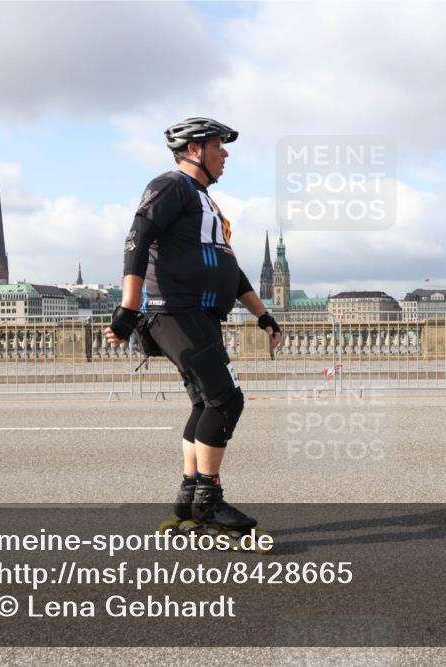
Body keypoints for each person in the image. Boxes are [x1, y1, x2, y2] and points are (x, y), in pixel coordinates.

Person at [104, 117, 282, 532]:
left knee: (206, 402)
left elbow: (229, 267)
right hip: (174, 310)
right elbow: (137, 238)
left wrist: (263, 314)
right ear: (195, 150)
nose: (226, 154)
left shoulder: (205, 202)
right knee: (227, 400)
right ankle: (208, 500)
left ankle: (189, 494)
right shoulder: (170, 185)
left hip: (198, 314)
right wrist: (129, 307)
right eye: (219, 145)